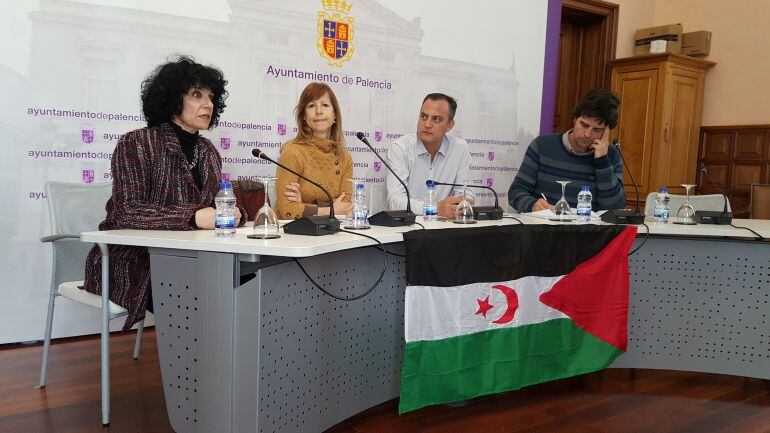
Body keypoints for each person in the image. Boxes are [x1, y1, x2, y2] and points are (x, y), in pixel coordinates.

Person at [83, 55, 241, 330]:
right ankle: (201, 368)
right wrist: (193, 217)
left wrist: (235, 212)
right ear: (171, 99)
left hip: (190, 257)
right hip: (134, 262)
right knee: (211, 300)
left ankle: (226, 366)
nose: (208, 104)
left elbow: (215, 206)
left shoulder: (209, 152)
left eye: (211, 97)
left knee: (244, 284)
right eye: (196, 94)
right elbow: (127, 212)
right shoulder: (136, 143)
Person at [507, 89, 626, 213]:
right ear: (575, 119)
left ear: (606, 132)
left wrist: (602, 161)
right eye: (584, 125)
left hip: (588, 230)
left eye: (597, 130)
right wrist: (532, 205)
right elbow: (516, 191)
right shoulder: (542, 146)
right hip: (543, 228)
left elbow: (616, 208)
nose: (587, 134)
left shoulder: (611, 156)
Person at [386, 93, 474, 218]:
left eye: (436, 119)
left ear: (450, 125)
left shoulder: (460, 149)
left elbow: (465, 192)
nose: (427, 124)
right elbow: (395, 202)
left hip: (446, 228)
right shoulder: (401, 148)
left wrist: (462, 203)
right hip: (409, 229)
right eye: (423, 116)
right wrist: (434, 208)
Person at [275, 82, 353, 219]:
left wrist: (306, 206)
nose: (319, 111)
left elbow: (345, 208)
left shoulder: (344, 157)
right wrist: (330, 209)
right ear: (303, 116)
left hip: (329, 233)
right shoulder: (292, 153)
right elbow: (288, 210)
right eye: (311, 106)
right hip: (290, 234)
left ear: (335, 115)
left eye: (325, 105)